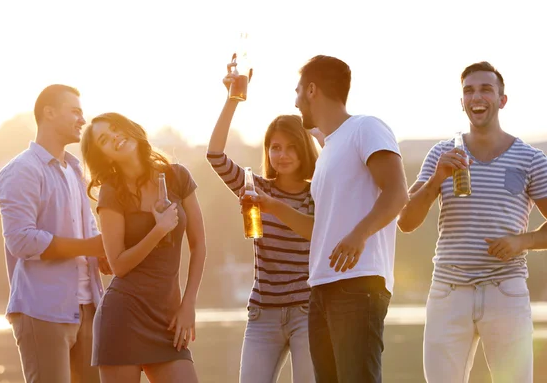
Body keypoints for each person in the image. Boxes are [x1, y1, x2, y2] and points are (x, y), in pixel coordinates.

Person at [244, 55, 409, 382]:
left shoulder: (366, 127)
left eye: (297, 91)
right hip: (320, 289)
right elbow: (319, 232)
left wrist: (359, 235)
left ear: (312, 90)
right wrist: (272, 206)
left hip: (359, 283)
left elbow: (397, 193)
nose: (295, 101)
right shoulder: (329, 151)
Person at [397, 61, 547, 383]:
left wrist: (524, 241)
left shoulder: (531, 159)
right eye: (469, 91)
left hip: (505, 292)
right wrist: (437, 179)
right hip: (448, 293)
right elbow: (406, 221)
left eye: (486, 89)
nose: (476, 97)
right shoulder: (441, 154)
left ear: (502, 100)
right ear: (462, 102)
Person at [207, 57, 320, 383]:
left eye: (290, 148)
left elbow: (318, 233)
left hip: (306, 311)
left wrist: (275, 207)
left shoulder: (318, 192)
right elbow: (214, 155)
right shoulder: (253, 188)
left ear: (304, 151)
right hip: (262, 312)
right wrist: (232, 100)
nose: (281, 154)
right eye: (274, 147)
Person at [0, 84, 109, 383]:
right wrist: (89, 245)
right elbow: (21, 239)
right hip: (42, 311)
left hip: (88, 308)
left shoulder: (75, 170)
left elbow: (92, 233)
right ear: (49, 112)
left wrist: (103, 255)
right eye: (75, 112)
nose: (82, 120)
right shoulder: (22, 171)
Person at [81, 112, 206, 383]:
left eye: (116, 128)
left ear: (129, 128)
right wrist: (158, 229)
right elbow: (119, 265)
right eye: (104, 138)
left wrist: (188, 305)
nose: (114, 136)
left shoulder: (177, 177)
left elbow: (199, 245)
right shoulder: (112, 191)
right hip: (123, 317)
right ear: (103, 155)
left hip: (168, 318)